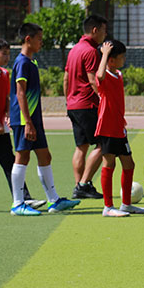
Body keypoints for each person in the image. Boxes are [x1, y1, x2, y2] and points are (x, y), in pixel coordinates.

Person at [9, 23, 80, 215]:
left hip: (32, 120)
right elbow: (20, 93)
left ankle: (54, 201)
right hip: (25, 120)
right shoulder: (22, 62)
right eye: (39, 39)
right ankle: (17, 204)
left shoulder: (31, 62)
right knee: (22, 156)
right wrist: (28, 122)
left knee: (45, 156)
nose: (41, 42)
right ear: (28, 39)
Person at [95, 39, 144, 217]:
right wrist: (103, 55)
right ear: (111, 60)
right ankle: (108, 207)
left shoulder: (118, 74)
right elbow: (100, 76)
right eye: (121, 57)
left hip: (119, 127)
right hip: (107, 127)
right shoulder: (104, 75)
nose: (124, 60)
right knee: (109, 163)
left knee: (129, 164)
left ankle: (126, 204)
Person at [0, 38, 41, 210]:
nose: (7, 57)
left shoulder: (5, 73)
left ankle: (23, 198)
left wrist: (9, 115)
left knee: (10, 163)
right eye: (3, 53)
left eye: (8, 53)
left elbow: (6, 97)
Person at [65, 13, 108, 200]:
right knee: (103, 143)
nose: (105, 35)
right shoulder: (91, 51)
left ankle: (79, 186)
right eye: (104, 31)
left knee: (81, 146)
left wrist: (68, 100)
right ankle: (84, 183)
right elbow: (93, 79)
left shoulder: (74, 49)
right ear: (95, 30)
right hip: (87, 104)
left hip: (73, 105)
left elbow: (66, 78)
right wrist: (105, 100)